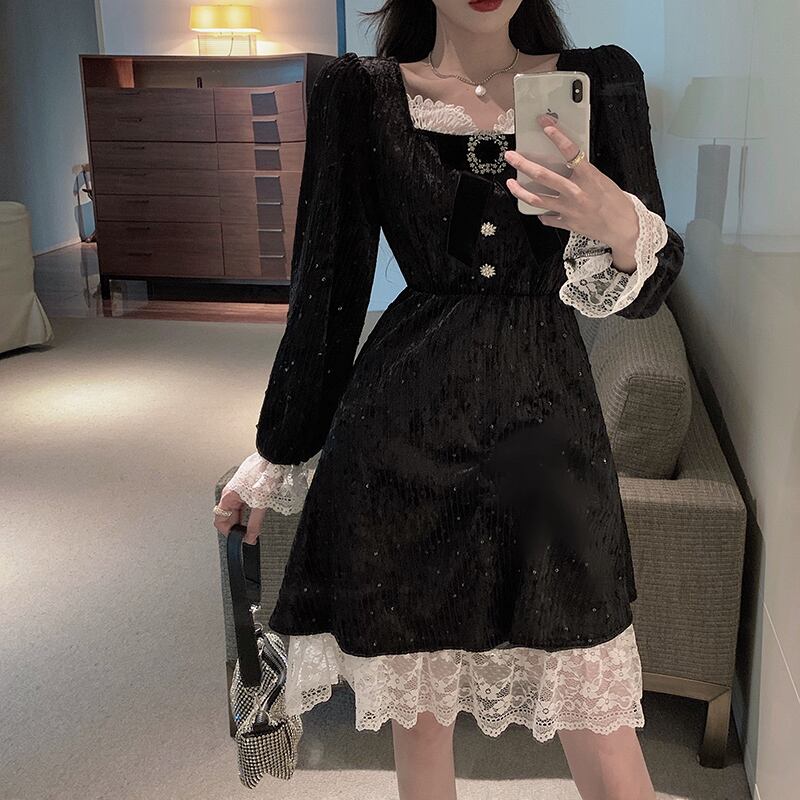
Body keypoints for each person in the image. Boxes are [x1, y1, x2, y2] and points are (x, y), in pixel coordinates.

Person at [213, 1, 685, 798]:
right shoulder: (360, 95)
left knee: (602, 726)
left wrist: (614, 220)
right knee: (422, 725)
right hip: (399, 440)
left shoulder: (600, 83)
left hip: (551, 444)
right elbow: (327, 289)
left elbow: (649, 294)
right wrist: (277, 452)